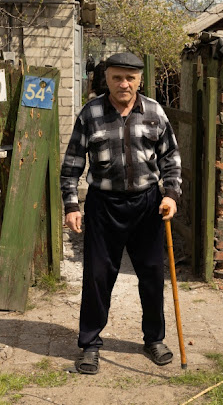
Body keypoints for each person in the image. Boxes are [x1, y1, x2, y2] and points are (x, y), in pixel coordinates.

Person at [60, 52, 182, 375]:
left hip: (147, 207)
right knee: (98, 276)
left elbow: (171, 157)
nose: (123, 84)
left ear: (140, 79)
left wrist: (170, 194)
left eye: (130, 77)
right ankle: (89, 344)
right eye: (117, 77)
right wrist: (71, 204)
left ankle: (154, 339)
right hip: (104, 206)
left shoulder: (155, 112)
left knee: (153, 275)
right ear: (107, 78)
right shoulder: (91, 114)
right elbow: (72, 162)